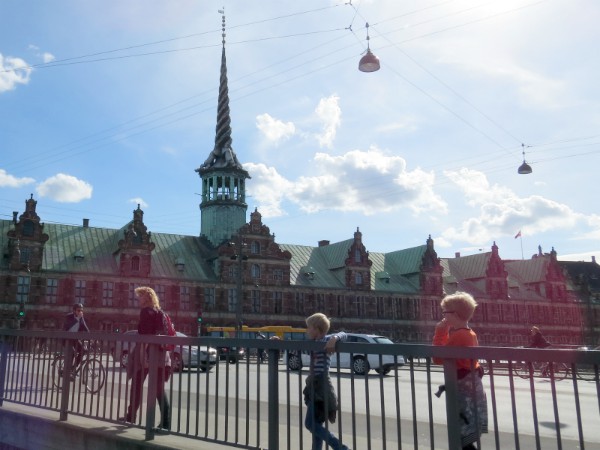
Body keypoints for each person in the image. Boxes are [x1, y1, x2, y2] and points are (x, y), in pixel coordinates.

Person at [432, 292, 488, 450]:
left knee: (461, 438)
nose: (443, 316)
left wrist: (440, 332)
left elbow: (438, 357)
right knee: (465, 437)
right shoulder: (470, 333)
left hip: (463, 393)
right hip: (471, 389)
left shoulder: (459, 336)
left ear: (454, 315)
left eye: (445, 312)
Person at [120, 286, 171, 434]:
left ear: (146, 297)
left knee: (136, 385)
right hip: (161, 354)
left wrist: (143, 354)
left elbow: (144, 334)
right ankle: (165, 423)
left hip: (147, 353)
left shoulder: (145, 312)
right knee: (159, 390)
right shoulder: (160, 312)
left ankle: (131, 417)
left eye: (140, 296)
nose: (138, 299)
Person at [303, 313, 350, 450]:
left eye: (309, 328)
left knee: (310, 424)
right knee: (316, 426)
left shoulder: (326, 340)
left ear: (317, 329)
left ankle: (341, 447)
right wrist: (278, 341)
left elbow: (344, 334)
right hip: (315, 387)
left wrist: (334, 338)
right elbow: (294, 349)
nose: (307, 330)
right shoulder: (312, 345)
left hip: (322, 388)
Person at [63, 303, 90, 377]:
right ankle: (67, 371)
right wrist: (77, 318)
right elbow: (69, 325)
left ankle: (73, 368)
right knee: (71, 353)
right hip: (66, 339)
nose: (80, 312)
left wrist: (91, 337)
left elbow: (85, 327)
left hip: (75, 339)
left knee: (83, 350)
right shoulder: (68, 317)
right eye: (78, 310)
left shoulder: (81, 318)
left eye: (81, 310)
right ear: (74, 311)